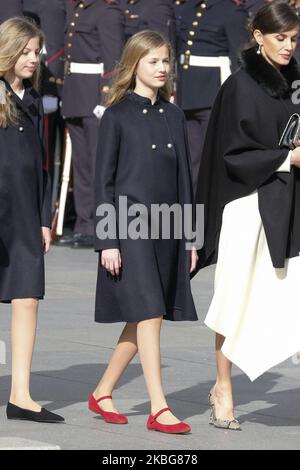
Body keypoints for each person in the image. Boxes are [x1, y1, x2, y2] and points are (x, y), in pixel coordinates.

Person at [195, 1, 300, 430]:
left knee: (289, 293)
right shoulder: (239, 86)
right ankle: (223, 387)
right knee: (234, 302)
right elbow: (231, 155)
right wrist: (286, 157)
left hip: (289, 202)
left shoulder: (296, 82)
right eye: (280, 38)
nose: (289, 47)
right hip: (245, 204)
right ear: (258, 36)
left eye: (294, 39)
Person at [91, 30, 198, 434]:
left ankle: (102, 391)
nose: (162, 68)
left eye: (166, 61)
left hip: (168, 227)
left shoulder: (174, 115)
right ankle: (159, 407)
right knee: (150, 312)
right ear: (135, 64)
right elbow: (102, 182)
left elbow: (185, 180)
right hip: (128, 227)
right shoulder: (115, 115)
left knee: (143, 318)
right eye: (153, 61)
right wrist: (107, 241)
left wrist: (190, 237)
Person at [0, 17, 64, 423]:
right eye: (24, 51)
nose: (33, 58)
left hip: (25, 212)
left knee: (26, 298)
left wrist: (45, 217)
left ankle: (20, 395)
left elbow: (42, 164)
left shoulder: (35, 98)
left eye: (36, 51)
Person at [60, 0, 125, 248]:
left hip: (94, 95)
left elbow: (114, 60)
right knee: (82, 166)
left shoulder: (107, 12)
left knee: (99, 164)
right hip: (76, 93)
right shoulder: (79, 10)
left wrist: (107, 99)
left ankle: (101, 227)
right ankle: (84, 224)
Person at [175, 0, 249, 194]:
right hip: (187, 92)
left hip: (214, 93)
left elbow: (239, 58)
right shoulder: (186, 8)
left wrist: (238, 97)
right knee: (192, 158)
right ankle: (192, 210)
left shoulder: (232, 12)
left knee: (214, 157)